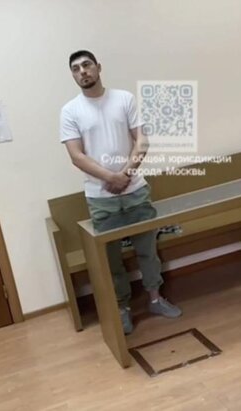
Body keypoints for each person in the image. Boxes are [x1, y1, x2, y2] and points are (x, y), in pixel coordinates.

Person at [59, 50, 182, 334]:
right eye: (76, 68)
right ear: (73, 75)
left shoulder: (124, 99)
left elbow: (142, 141)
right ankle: (123, 308)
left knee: (147, 251)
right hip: (100, 198)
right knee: (111, 259)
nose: (82, 71)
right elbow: (76, 156)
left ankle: (155, 299)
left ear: (98, 67)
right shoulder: (70, 111)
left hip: (135, 191)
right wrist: (110, 178)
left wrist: (124, 175)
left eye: (87, 65)